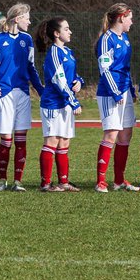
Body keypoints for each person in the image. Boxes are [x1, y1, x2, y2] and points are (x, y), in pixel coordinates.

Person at [0, 3, 44, 191]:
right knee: (6, 140)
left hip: (23, 93)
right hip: (4, 94)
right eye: (27, 17)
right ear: (17, 19)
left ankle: (18, 181)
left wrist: (41, 90)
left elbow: (31, 68)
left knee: (21, 139)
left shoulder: (27, 40)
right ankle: (2, 180)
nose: (30, 21)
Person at [94, 3, 138, 193]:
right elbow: (105, 69)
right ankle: (101, 182)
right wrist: (115, 91)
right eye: (130, 18)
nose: (132, 22)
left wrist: (130, 89)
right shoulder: (106, 39)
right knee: (111, 134)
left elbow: (125, 68)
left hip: (124, 92)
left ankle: (119, 180)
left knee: (126, 134)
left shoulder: (125, 39)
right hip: (110, 94)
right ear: (121, 17)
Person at [37, 16, 84, 192]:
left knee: (64, 142)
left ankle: (63, 182)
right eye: (66, 29)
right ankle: (45, 184)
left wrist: (79, 81)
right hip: (53, 104)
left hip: (65, 103)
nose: (70, 31)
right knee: (52, 140)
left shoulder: (67, 51)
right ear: (56, 34)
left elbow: (72, 76)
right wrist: (74, 101)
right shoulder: (54, 53)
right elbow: (59, 81)